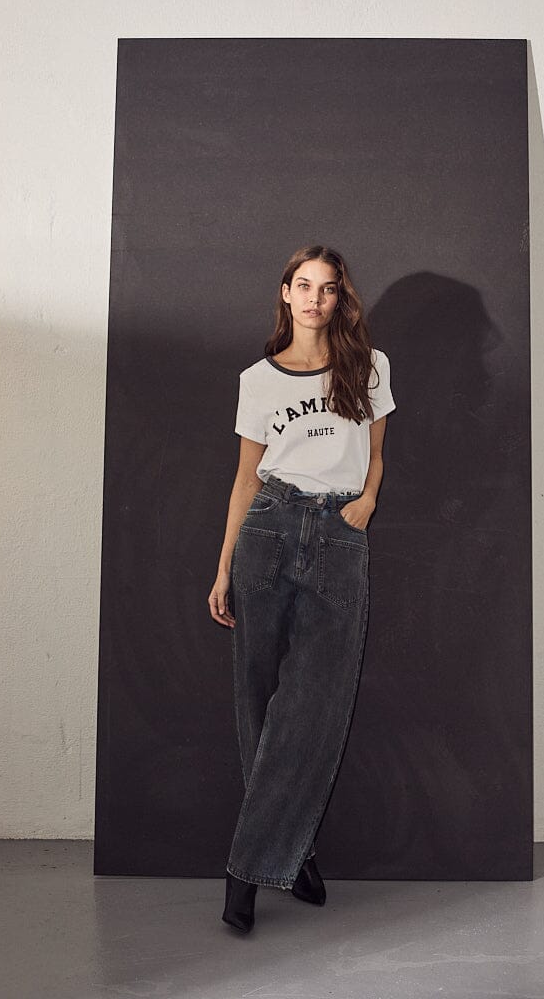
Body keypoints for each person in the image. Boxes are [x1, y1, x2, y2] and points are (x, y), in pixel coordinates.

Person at [209, 245, 396, 932]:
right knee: (257, 698)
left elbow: (375, 455)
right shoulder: (257, 380)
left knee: (315, 705)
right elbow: (245, 478)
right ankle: (295, 853)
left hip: (339, 535)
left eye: (328, 288)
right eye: (304, 285)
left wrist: (367, 502)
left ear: (340, 297)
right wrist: (223, 566)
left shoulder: (369, 366)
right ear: (285, 293)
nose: (315, 298)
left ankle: (246, 870)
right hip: (267, 529)